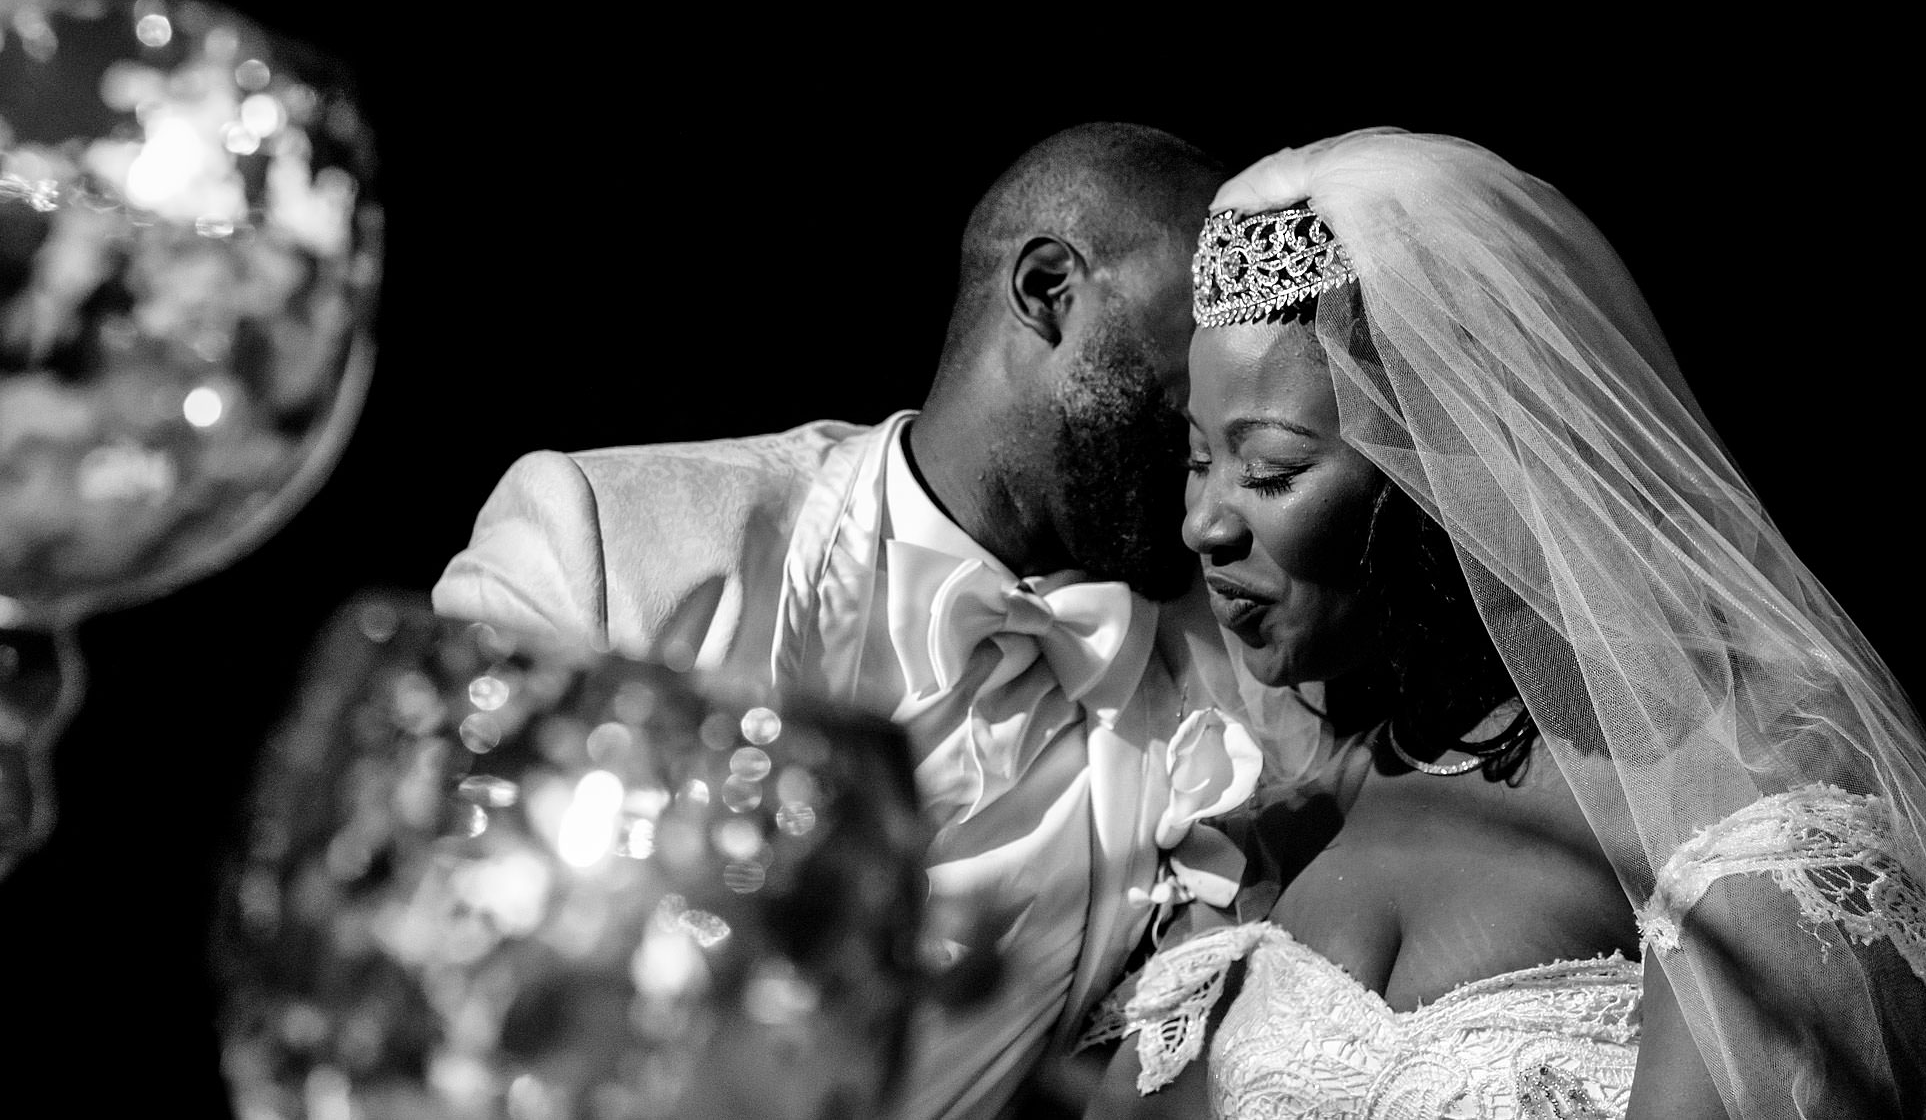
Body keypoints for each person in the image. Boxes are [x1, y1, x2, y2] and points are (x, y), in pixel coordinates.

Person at [1082, 129, 1926, 1119]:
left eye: (1270, 470)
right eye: (1195, 457)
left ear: (1453, 466)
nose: (1202, 522)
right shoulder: (1281, 805)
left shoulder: (1746, 788)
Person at [434, 122, 1314, 1120]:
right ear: (1047, 290)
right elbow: (413, 965)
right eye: (1195, 325)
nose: (1217, 388)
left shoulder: (1224, 681)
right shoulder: (603, 541)